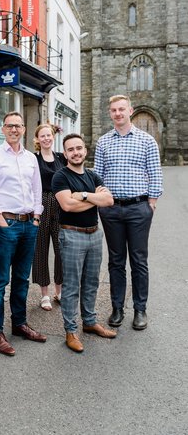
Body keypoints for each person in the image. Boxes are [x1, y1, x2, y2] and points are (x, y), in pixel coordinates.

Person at [94, 94, 163, 331]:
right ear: (110, 113)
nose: (118, 113)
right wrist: (102, 204)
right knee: (115, 261)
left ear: (130, 111)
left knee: (139, 260)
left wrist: (150, 205)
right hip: (111, 210)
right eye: (114, 110)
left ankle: (140, 309)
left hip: (138, 208)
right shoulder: (103, 142)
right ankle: (116, 308)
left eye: (121, 109)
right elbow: (98, 177)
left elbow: (155, 174)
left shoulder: (147, 141)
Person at [0, 111, 46, 357]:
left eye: (18, 126)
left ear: (24, 129)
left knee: (21, 279)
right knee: (0, 281)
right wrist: (1, 222)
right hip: (6, 224)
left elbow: (37, 189)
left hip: (29, 224)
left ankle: (19, 324)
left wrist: (37, 218)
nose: (14, 130)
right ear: (3, 128)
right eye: (10, 126)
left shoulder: (31, 158)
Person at [52, 133, 116, 353]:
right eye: (71, 149)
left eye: (79, 148)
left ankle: (89, 322)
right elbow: (67, 206)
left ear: (85, 150)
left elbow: (108, 200)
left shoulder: (93, 175)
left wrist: (83, 196)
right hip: (72, 235)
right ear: (65, 153)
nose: (76, 152)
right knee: (71, 286)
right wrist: (92, 198)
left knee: (91, 282)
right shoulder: (60, 177)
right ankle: (71, 330)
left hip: (94, 234)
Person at [31, 123, 67, 310]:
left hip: (61, 204)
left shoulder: (62, 157)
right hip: (41, 204)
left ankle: (59, 290)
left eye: (48, 135)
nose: (46, 138)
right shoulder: (33, 158)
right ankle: (44, 294)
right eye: (42, 136)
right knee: (41, 249)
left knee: (61, 248)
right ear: (37, 139)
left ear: (53, 136)